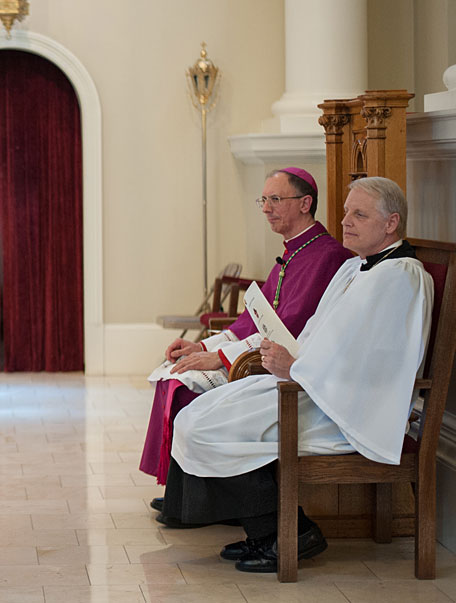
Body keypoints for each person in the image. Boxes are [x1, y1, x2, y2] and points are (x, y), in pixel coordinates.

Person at [162, 176, 433, 573]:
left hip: (347, 407)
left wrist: (295, 367)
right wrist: (286, 356)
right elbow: (318, 334)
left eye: (359, 214)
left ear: (391, 223)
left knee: (209, 428)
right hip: (313, 384)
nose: (345, 222)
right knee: (196, 415)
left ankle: (289, 533)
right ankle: (265, 531)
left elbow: (376, 362)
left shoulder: (401, 276)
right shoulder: (356, 268)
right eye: (345, 213)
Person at [141, 168, 351, 513]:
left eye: (275, 199)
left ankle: (205, 502)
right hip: (261, 356)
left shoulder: (325, 256)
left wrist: (221, 359)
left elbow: (288, 328)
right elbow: (253, 317)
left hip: (284, 367)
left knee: (185, 385)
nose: (266, 208)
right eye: (263, 200)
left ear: (305, 203)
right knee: (174, 373)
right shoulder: (294, 251)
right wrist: (204, 347)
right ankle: (184, 496)